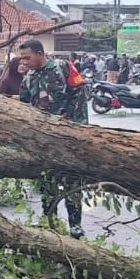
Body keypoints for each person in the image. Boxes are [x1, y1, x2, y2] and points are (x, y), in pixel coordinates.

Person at [18, 39, 88, 239]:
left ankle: (75, 226)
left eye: (27, 57)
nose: (24, 61)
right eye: (21, 58)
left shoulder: (62, 67)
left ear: (39, 54)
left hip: (68, 137)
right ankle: (51, 224)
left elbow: (80, 92)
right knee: (47, 184)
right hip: (43, 141)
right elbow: (23, 107)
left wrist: (76, 128)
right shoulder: (29, 78)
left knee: (72, 183)